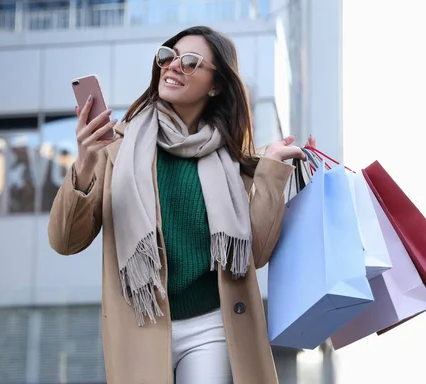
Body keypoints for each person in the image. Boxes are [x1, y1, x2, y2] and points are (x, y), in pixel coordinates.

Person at [48, 26, 315, 384]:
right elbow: (66, 241)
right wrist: (84, 164)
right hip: (141, 322)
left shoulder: (235, 161)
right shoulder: (118, 148)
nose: (173, 66)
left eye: (190, 62)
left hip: (212, 325)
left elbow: (257, 253)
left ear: (215, 84)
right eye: (167, 56)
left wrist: (272, 171)